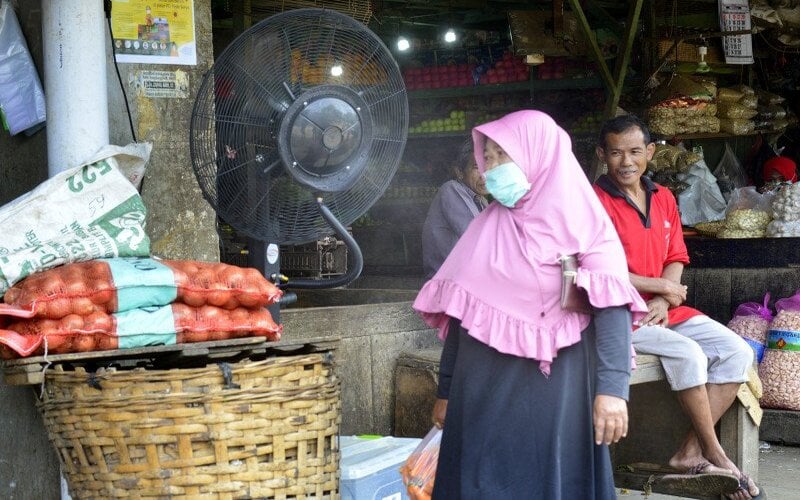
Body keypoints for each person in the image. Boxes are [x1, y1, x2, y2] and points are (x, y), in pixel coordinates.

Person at [413, 110, 648, 498]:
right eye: (487, 158)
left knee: (547, 481)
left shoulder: (586, 224)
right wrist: (447, 391)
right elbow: (461, 313)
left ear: (540, 154)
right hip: (480, 392)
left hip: (556, 392)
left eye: (503, 156)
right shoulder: (485, 226)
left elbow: (612, 311)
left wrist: (613, 391)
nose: (492, 168)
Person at [593, 114, 761, 500]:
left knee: (736, 350)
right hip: (617, 313)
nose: (626, 161)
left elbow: (676, 254)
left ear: (650, 152)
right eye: (616, 152)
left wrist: (665, 298)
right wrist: (663, 289)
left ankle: (688, 452)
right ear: (602, 154)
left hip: (664, 308)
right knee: (689, 353)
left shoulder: (663, 197)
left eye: (635, 151)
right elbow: (598, 270)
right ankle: (715, 451)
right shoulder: (593, 202)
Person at [421, 139, 489, 279]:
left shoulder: (480, 200)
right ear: (459, 171)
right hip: (449, 286)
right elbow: (480, 240)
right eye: (477, 168)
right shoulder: (451, 189)